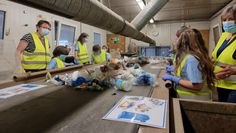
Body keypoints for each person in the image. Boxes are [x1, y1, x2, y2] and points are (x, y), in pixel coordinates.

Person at [162, 29, 215, 101]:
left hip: (194, 102)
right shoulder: (193, 55)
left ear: (184, 43)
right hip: (192, 101)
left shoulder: (191, 59)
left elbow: (197, 86)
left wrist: (175, 79)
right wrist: (175, 69)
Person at [211, 5, 236, 103]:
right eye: (224, 20)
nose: (226, 22)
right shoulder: (225, 35)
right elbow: (215, 56)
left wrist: (233, 70)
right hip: (221, 84)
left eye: (231, 19)